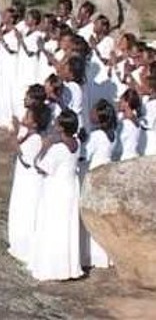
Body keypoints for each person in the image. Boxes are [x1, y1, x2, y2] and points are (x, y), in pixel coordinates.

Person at [28, 109, 83, 281]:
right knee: (66, 227)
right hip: (71, 187)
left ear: (61, 128)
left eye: (57, 122)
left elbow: (40, 166)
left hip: (56, 189)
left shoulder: (58, 149)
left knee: (52, 226)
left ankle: (53, 267)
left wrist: (45, 146)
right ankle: (67, 267)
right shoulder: (77, 143)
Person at [8, 103, 51, 263]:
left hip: (29, 183)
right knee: (19, 209)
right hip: (22, 180)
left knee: (26, 212)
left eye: (28, 116)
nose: (24, 117)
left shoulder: (36, 140)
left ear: (35, 123)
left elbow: (24, 158)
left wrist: (13, 134)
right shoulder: (30, 135)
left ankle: (25, 247)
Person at [81, 99, 117, 269]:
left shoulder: (96, 136)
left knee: (92, 216)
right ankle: (105, 255)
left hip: (95, 173)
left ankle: (93, 255)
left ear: (99, 116)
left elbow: (85, 155)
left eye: (93, 111)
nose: (90, 113)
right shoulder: (112, 134)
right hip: (106, 174)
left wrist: (81, 141)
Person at [15, 9, 42, 118]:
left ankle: (28, 116)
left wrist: (21, 40)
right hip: (22, 64)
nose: (26, 20)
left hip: (30, 66)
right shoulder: (25, 31)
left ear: (34, 20)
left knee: (28, 89)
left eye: (28, 18)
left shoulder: (38, 34)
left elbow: (30, 52)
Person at [0, 8, 19, 129]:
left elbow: (13, 50)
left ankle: (11, 117)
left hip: (11, 63)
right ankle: (1, 116)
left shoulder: (15, 31)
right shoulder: (2, 29)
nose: (3, 17)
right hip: (2, 62)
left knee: (10, 88)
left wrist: (1, 39)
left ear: (12, 19)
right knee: (1, 87)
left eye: (6, 16)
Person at [115, 88, 141, 161]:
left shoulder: (127, 122)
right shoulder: (131, 118)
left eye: (121, 101)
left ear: (127, 103)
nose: (119, 103)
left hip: (126, 158)